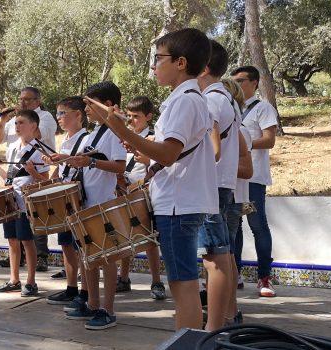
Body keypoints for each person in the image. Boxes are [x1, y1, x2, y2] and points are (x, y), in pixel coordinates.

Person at [90, 28, 217, 330]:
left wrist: (119, 129)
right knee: (182, 281)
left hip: (178, 204)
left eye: (159, 58)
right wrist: (134, 142)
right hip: (181, 201)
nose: (154, 65)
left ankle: (186, 341)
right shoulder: (187, 99)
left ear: (181, 62)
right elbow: (171, 151)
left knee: (182, 284)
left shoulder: (183, 100)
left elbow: (168, 155)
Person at [59, 82, 126, 330]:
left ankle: (108, 310)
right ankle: (92, 304)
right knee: (88, 257)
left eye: (90, 104)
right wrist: (69, 159)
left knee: (106, 259)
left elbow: (119, 166)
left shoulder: (114, 132)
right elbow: (89, 161)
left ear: (107, 105)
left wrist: (91, 163)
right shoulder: (96, 132)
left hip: (103, 203)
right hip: (87, 203)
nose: (86, 110)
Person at [196, 40, 238, 331]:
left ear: (205, 66)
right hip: (222, 184)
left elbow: (212, 149)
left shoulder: (210, 100)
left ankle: (216, 325)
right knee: (224, 254)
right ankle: (229, 315)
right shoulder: (226, 98)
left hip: (211, 187)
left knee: (214, 256)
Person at [0, 87, 58, 272]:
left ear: (37, 100)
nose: (22, 102)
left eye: (27, 100)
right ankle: (15, 273)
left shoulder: (45, 117)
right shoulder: (12, 142)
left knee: (32, 232)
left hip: (31, 191)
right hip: (14, 193)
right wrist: (3, 120)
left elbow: (38, 135)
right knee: (13, 238)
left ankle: (40, 259)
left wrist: (28, 123)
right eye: (21, 99)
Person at [231, 65, 278, 298]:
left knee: (257, 226)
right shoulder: (231, 109)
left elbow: (269, 140)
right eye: (234, 81)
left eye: (241, 81)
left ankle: (264, 277)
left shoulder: (263, 108)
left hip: (253, 179)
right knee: (234, 227)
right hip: (233, 178)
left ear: (255, 83)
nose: (236, 85)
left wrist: (242, 144)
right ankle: (234, 274)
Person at [0, 110, 49, 296]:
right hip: (11, 201)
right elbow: (12, 176)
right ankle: (14, 279)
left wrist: (34, 173)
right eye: (15, 123)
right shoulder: (13, 147)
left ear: (33, 126)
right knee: (12, 240)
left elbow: (45, 181)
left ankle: (31, 282)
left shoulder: (39, 150)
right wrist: (0, 172)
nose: (17, 127)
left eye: (21, 123)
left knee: (27, 241)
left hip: (26, 203)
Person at [114, 96, 166, 301]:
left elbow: (159, 166)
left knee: (150, 240)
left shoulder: (153, 138)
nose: (131, 120)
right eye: (129, 116)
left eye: (136, 116)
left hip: (146, 194)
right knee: (126, 237)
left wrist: (146, 161)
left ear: (149, 117)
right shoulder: (123, 137)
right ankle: (124, 277)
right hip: (126, 192)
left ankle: (156, 281)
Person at [44, 96, 88, 305]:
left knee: (81, 247)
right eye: (57, 114)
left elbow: (84, 167)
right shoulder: (66, 141)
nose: (59, 118)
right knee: (66, 245)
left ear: (78, 115)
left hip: (79, 200)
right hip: (65, 199)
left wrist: (64, 159)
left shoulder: (86, 139)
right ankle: (71, 287)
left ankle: (86, 292)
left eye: (63, 113)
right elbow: (61, 171)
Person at [222, 77, 253, 325]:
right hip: (227, 197)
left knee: (227, 255)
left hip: (231, 199)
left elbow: (247, 170)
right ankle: (228, 310)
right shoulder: (235, 128)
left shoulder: (239, 130)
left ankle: (230, 312)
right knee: (225, 255)